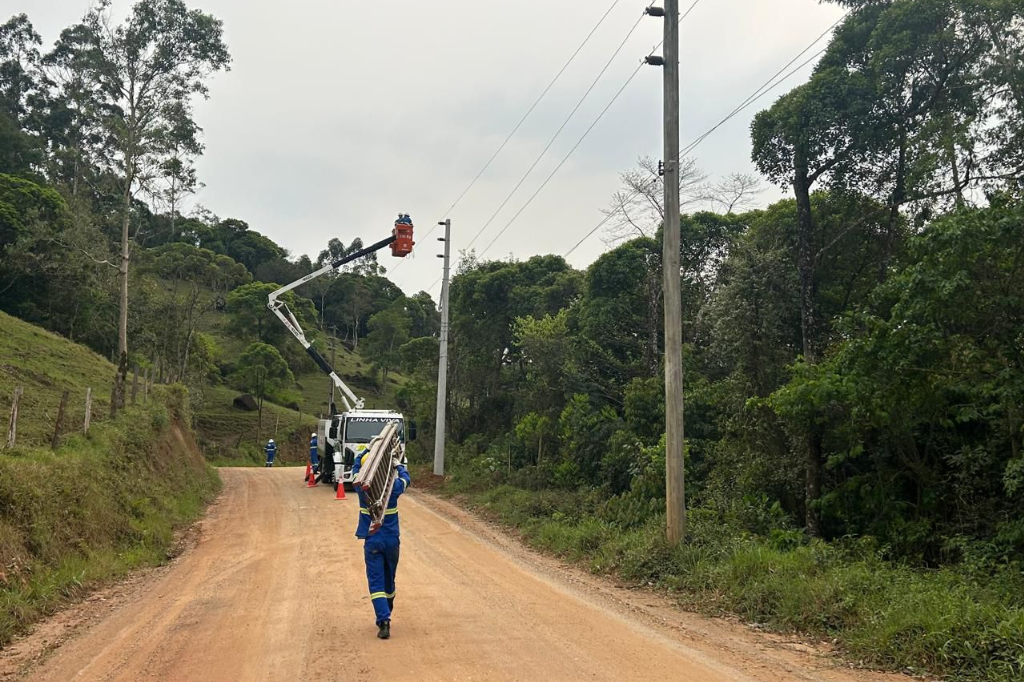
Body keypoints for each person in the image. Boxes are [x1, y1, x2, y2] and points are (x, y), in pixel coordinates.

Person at [351, 452, 412, 640]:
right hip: (392, 540)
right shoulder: (391, 486)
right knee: (389, 578)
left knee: (376, 581)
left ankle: (383, 620)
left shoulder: (363, 487)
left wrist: (361, 456)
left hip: (373, 541)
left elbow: (355, 471)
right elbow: (406, 479)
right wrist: (397, 465)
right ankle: (388, 603)